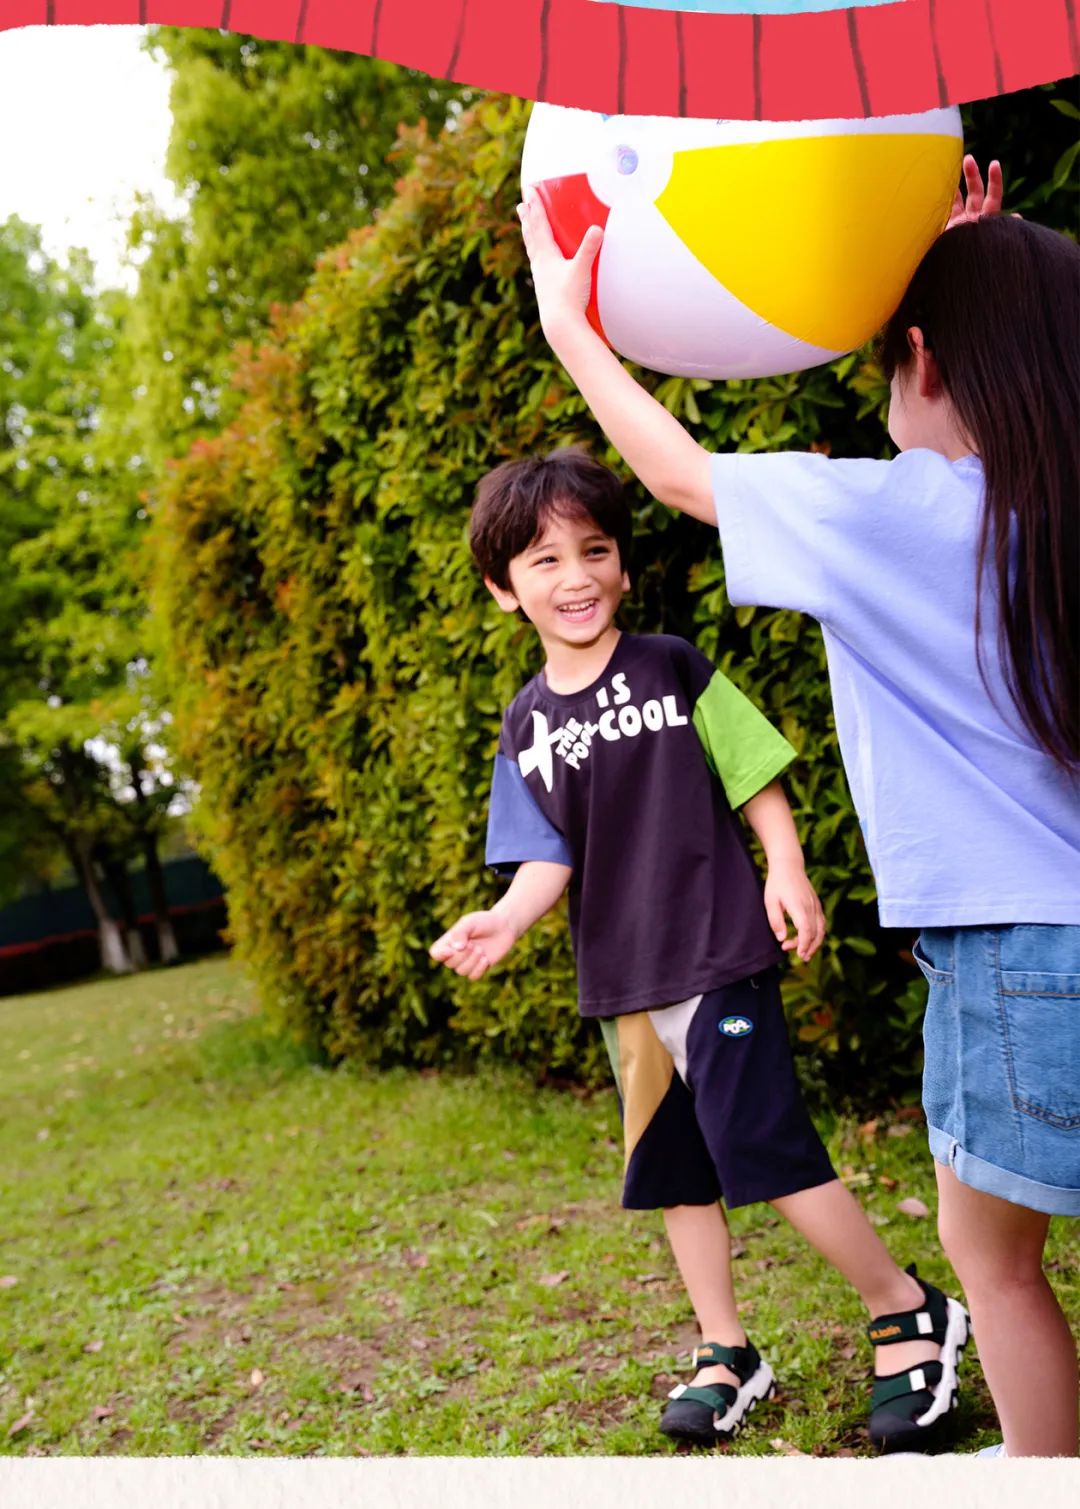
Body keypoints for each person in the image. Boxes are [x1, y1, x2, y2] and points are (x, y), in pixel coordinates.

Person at [514, 157, 1079, 1458]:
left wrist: (570, 328)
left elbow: (679, 477)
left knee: (992, 1263)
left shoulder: (897, 517)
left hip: (1015, 963)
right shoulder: (1052, 514)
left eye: (891, 361)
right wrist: (961, 272)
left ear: (928, 365)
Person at [430, 448, 970, 1453]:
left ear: (623, 566)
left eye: (594, 550)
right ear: (505, 590)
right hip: (625, 986)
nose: (576, 575)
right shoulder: (525, 723)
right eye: (543, 562)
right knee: (675, 1172)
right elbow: (546, 854)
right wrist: (504, 919)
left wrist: (786, 867)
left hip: (718, 951)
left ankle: (907, 1310)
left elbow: (753, 769)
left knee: (767, 1149)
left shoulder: (670, 664)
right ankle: (728, 1350)